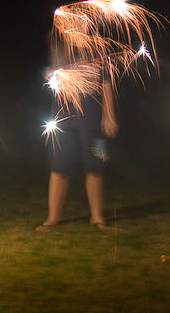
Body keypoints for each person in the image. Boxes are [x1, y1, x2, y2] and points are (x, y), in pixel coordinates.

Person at [36, 45, 118, 232]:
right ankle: (52, 218)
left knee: (96, 165)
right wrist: (50, 76)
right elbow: (50, 77)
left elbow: (106, 84)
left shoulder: (99, 51)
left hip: (93, 121)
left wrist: (109, 115)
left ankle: (97, 217)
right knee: (58, 166)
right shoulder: (60, 49)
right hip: (62, 120)